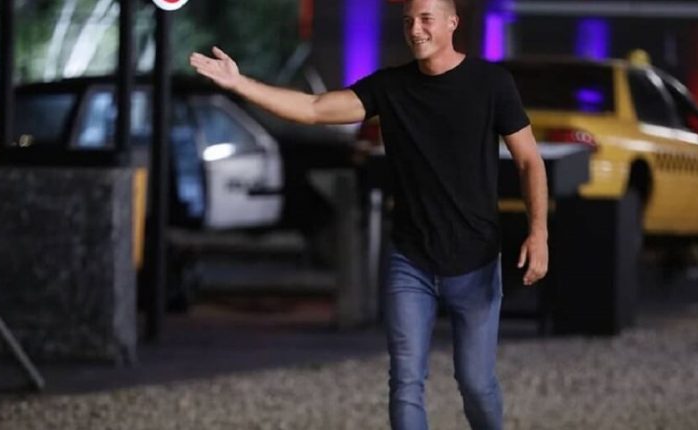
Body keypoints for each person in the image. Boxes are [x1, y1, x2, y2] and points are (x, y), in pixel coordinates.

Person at [190, 0, 548, 427]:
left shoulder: (491, 84)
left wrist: (538, 233)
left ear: (452, 23)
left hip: (475, 260)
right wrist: (240, 83)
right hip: (411, 261)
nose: (415, 30)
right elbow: (314, 109)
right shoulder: (390, 87)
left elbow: (529, 160)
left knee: (475, 383)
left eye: (426, 19)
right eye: (408, 21)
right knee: (406, 382)